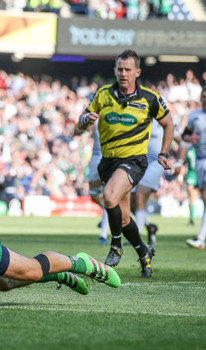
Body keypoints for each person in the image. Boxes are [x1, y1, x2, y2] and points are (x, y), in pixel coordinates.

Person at [76, 49, 173, 278]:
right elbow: (77, 128)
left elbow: (169, 124)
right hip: (108, 163)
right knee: (125, 217)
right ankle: (144, 252)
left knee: (109, 196)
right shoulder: (102, 95)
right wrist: (84, 120)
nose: (123, 73)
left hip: (134, 162)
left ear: (137, 72)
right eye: (119, 69)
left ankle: (116, 245)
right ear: (115, 70)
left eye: (128, 69)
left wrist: (164, 153)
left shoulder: (150, 98)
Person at [74, 122, 109, 244]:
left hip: (110, 159)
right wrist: (85, 121)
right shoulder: (97, 115)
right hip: (96, 159)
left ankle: (103, 235)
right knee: (94, 194)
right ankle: (109, 212)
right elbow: (77, 131)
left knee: (107, 194)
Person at [183, 87, 206, 250]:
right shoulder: (194, 116)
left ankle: (200, 238)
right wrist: (190, 138)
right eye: (204, 96)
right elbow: (184, 135)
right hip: (199, 160)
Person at [184, 145, 198, 227]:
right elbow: (183, 162)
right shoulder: (189, 150)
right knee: (192, 197)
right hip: (191, 175)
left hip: (200, 173)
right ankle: (191, 219)